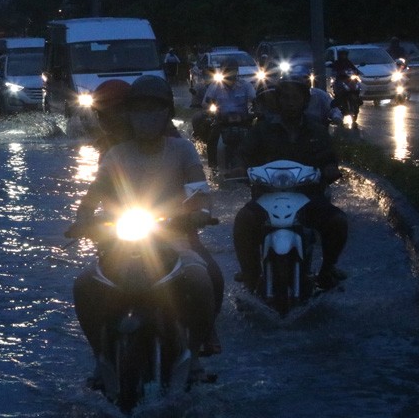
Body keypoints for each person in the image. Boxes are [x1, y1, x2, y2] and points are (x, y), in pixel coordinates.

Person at [66, 75, 224, 383]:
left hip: (173, 238)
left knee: (204, 278)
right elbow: (94, 194)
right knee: (84, 285)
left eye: (154, 110)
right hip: (122, 243)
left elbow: (198, 189)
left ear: (167, 113)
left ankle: (193, 356)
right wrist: (83, 217)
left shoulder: (182, 150)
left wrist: (199, 212)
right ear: (129, 114)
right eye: (139, 110)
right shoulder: (116, 155)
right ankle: (101, 359)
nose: (146, 117)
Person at [232, 76, 348, 291]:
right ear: (278, 100)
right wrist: (240, 168)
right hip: (266, 198)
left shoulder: (317, 130)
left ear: (305, 100)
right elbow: (243, 153)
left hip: (308, 198)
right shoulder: (262, 129)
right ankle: (250, 274)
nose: (291, 102)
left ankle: (327, 270)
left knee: (338, 222)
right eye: (285, 97)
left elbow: (329, 158)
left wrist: (330, 168)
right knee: (243, 221)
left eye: (296, 97)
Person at [195, 58, 256, 167]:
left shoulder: (246, 86)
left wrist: (255, 111)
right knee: (212, 141)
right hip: (222, 123)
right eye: (227, 69)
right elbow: (205, 103)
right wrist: (212, 110)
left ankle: (255, 166)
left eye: (232, 69)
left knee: (257, 140)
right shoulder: (215, 86)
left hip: (243, 122)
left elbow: (255, 100)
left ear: (237, 71)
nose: (229, 72)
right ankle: (213, 168)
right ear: (222, 71)